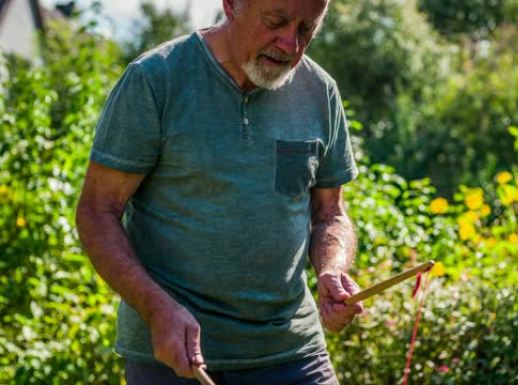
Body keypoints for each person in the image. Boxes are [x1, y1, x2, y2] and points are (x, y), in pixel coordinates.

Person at [75, 0, 363, 383]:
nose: (290, 45)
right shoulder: (156, 79)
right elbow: (98, 210)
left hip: (292, 352)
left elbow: (330, 213)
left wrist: (332, 269)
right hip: (175, 357)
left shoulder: (320, 92)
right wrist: (155, 307)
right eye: (276, 22)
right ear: (231, 5)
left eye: (306, 30)